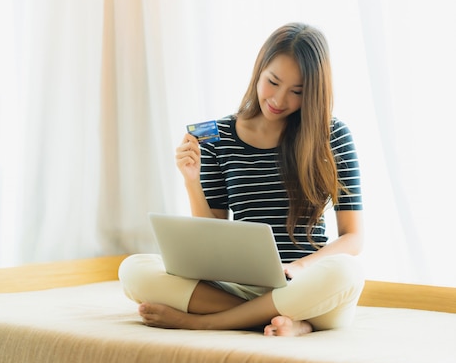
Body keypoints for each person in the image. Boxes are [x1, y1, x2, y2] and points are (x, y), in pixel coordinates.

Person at [118, 22, 365, 337]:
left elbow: (353, 238)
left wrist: (303, 266)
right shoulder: (219, 136)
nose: (278, 99)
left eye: (297, 92)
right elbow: (210, 236)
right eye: (272, 82)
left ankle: (207, 321)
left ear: (313, 92)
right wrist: (191, 181)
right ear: (259, 71)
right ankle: (288, 320)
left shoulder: (334, 136)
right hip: (239, 287)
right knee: (134, 270)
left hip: (308, 283)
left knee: (347, 273)